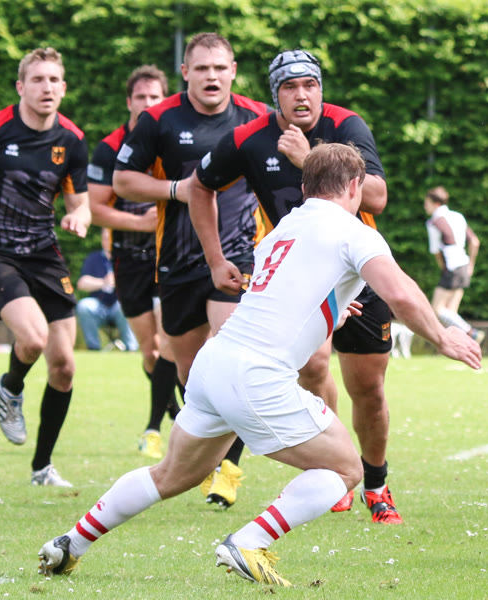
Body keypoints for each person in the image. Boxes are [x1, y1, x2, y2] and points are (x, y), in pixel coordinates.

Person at [38, 142, 482, 587]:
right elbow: (400, 293)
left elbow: (281, 299)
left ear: (305, 187)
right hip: (256, 375)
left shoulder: (283, 228)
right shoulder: (355, 232)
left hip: (215, 364)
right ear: (355, 186)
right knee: (346, 469)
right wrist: (442, 336)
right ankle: (249, 541)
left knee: (170, 474)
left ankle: (71, 543)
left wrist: (332, 311)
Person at [192, 50, 404, 524]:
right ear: (276, 96)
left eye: (310, 84)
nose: (301, 95)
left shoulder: (346, 126)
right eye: (290, 87)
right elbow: (198, 185)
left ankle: (376, 484)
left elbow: (377, 198)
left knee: (368, 388)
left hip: (358, 272)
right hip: (296, 278)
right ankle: (336, 473)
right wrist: (215, 260)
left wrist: (308, 158)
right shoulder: (248, 138)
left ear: (321, 89)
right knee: (313, 365)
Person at [113, 33, 269, 507]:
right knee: (191, 372)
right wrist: (176, 188)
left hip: (239, 255)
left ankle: (229, 469)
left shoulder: (258, 118)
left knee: (230, 357)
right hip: (178, 261)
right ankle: (205, 458)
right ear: (185, 73)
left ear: (233, 71)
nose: (211, 76)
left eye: (220, 68)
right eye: (201, 68)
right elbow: (123, 180)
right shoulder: (159, 119)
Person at [0, 48, 92, 487]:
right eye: (37, 79)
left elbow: (80, 203)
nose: (46, 87)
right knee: (32, 339)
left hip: (44, 254)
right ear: (20, 87)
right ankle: (11, 386)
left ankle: (41, 468)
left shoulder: (72, 139)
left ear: (63, 88)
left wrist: (79, 218)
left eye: (53, 80)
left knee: (64, 366)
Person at [88, 64, 180, 459]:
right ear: (129, 102)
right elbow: (95, 210)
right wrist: (142, 223)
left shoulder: (174, 139)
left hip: (171, 254)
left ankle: (163, 427)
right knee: (150, 352)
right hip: (129, 258)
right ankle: (175, 414)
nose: (147, 103)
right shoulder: (109, 148)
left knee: (173, 344)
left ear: (164, 100)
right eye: (140, 97)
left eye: (154, 97)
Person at [424, 186, 483, 342]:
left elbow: (436, 251)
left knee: (437, 310)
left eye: (427, 203)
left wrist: (444, 268)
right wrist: (471, 265)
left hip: (451, 267)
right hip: (464, 266)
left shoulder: (433, 222)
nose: (425, 207)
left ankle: (472, 332)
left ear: (436, 204)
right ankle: (462, 346)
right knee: (451, 313)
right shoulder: (458, 216)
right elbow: (475, 242)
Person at [76, 228, 139, 352]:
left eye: (111, 239)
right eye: (106, 239)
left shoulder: (127, 258)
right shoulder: (93, 258)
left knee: (125, 304)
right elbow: (82, 283)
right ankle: (93, 349)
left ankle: (131, 348)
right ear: (102, 240)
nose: (109, 242)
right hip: (99, 306)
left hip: (119, 306)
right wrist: (104, 282)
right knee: (84, 305)